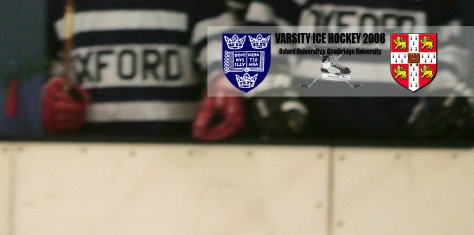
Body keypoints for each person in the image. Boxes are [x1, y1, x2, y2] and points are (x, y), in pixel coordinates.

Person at [223, 0, 472, 141]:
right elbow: (249, 36)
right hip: (303, 144)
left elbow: (456, 47)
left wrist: (448, 95)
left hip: (406, 148)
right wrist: (266, 92)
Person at [41, 1, 243, 139]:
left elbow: (236, 38)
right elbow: (51, 69)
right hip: (90, 162)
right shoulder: (61, 6)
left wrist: (228, 78)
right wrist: (55, 98)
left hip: (181, 161)